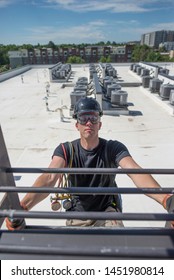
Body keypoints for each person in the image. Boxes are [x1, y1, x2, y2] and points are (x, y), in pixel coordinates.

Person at [6, 97, 174, 230]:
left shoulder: (112, 148)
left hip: (108, 213)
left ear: (99, 124)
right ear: (76, 124)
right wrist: (22, 208)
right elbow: (49, 177)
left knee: (117, 250)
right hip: (78, 215)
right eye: (83, 118)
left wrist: (167, 200)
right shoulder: (66, 150)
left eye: (93, 118)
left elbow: (135, 172)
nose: (88, 122)